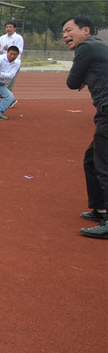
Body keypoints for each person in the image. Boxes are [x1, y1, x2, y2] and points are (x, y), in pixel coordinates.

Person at [62, 17, 108, 238]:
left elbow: (72, 82)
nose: (64, 35)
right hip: (104, 112)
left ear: (86, 30)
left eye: (69, 30)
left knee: (104, 165)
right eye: (63, 32)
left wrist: (80, 79)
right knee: (92, 159)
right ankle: (100, 209)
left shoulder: (86, 47)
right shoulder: (98, 45)